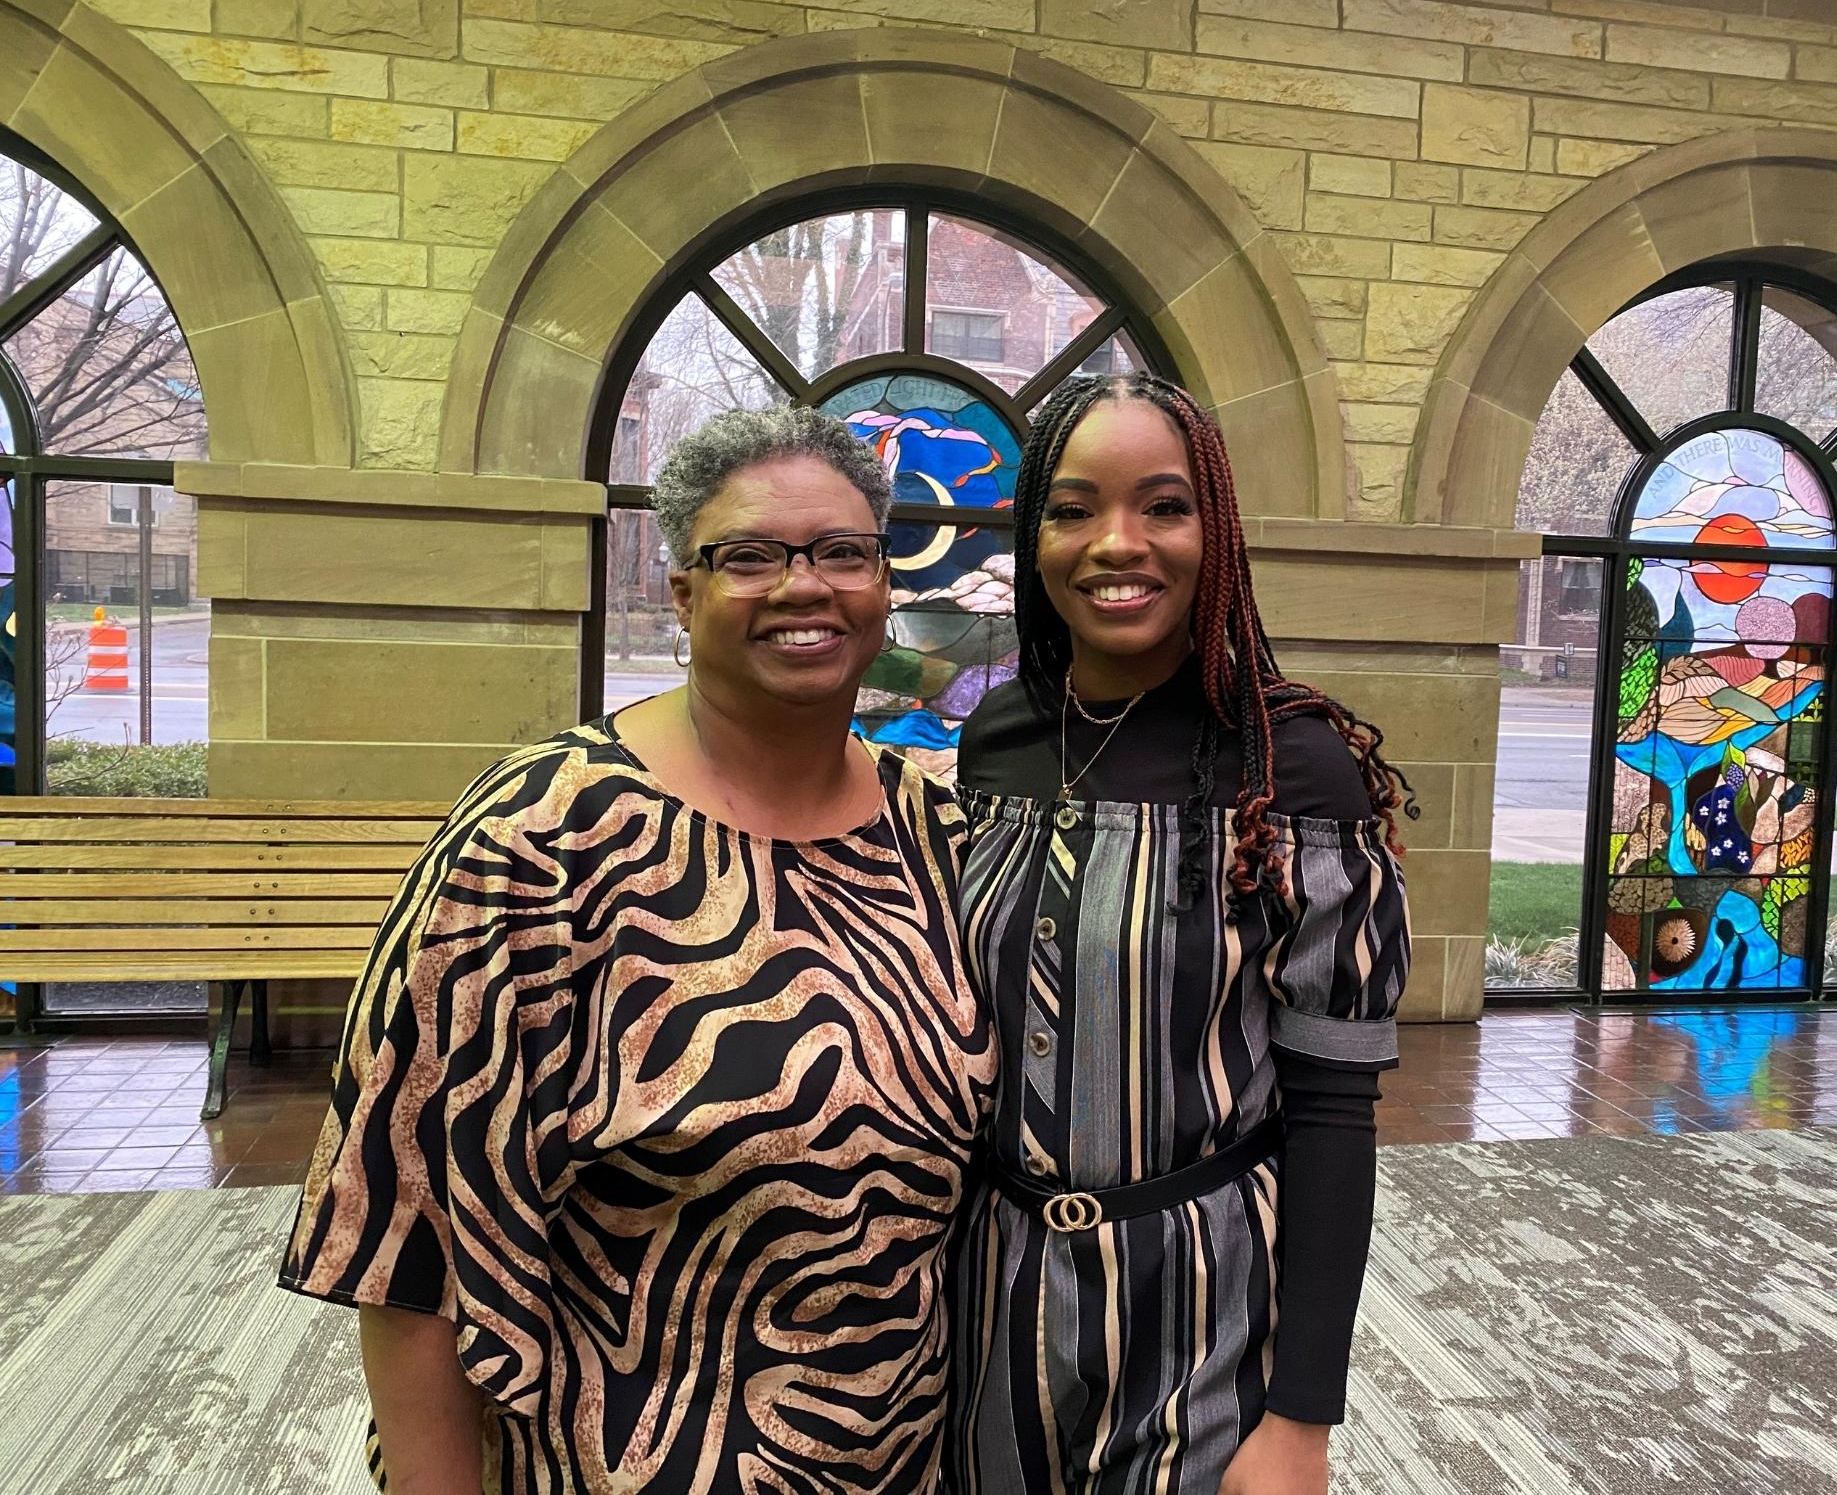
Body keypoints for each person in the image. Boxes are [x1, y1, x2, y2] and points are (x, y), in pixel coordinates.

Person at [280, 407, 996, 1495]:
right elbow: (408, 1234)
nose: (803, 585)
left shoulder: (937, 832)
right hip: (619, 1458)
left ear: (883, 584)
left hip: (901, 1456)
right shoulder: (540, 838)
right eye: (749, 556)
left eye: (841, 552)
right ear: (682, 593)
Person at [947, 374, 1414, 1495]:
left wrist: (1301, 1418)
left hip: (1201, 1325)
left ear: (1218, 534)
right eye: (1073, 510)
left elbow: (1332, 1112)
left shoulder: (1294, 770)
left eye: (1163, 506)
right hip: (989, 1312)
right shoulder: (999, 738)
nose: (1118, 544)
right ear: (1033, 539)